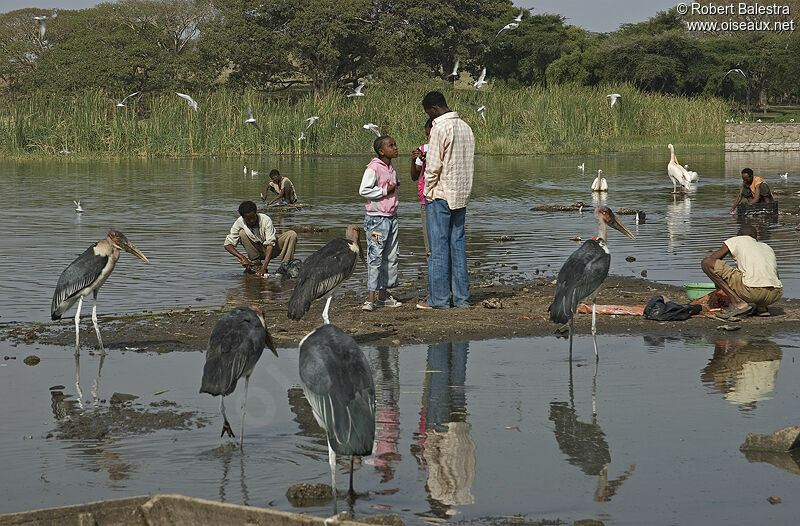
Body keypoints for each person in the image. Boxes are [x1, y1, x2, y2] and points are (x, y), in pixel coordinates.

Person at [417, 91, 475, 310]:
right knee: (458, 246)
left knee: (438, 248)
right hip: (461, 195)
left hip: (440, 194)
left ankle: (439, 300)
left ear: (433, 110)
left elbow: (432, 167)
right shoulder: (466, 127)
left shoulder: (440, 128)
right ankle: (462, 299)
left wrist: (428, 190)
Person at [701, 224, 782, 318]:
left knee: (706, 263)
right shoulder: (767, 247)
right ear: (756, 238)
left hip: (751, 291)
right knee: (760, 273)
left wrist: (719, 283)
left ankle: (738, 303)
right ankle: (762, 308)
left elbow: (713, 259)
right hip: (775, 294)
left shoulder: (736, 240)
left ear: (739, 234)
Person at [359, 135, 402, 311]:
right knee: (375, 256)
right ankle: (370, 298)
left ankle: (383, 295)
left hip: (391, 217)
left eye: (395, 144)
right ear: (381, 151)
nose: (395, 147)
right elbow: (363, 190)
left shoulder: (391, 168)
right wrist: (385, 190)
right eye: (391, 145)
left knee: (391, 256)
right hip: (377, 219)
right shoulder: (374, 168)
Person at [224, 200, 298, 276]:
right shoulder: (240, 222)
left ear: (256, 213)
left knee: (291, 234)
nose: (252, 221)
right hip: (256, 251)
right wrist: (242, 258)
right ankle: (256, 264)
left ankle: (285, 264)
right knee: (242, 233)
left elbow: (270, 244)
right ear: (243, 218)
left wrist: (264, 268)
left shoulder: (265, 220)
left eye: (253, 217)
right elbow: (227, 244)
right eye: (248, 219)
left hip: (271, 249)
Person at [411, 118, 433, 258]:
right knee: (429, 238)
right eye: (426, 134)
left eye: (430, 134)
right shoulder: (423, 150)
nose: (428, 137)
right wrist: (413, 160)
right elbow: (414, 176)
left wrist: (429, 159)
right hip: (426, 197)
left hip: (442, 196)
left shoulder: (447, 149)